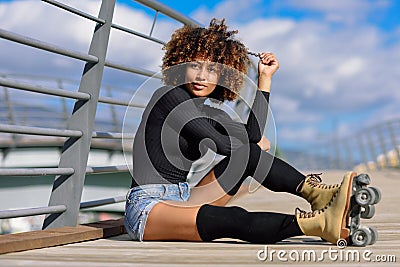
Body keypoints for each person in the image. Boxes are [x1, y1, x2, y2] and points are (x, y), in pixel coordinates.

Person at [124, 18, 355, 245]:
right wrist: (252, 145)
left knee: (249, 156)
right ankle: (322, 224)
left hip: (183, 197)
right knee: (231, 218)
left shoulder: (211, 114)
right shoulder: (168, 97)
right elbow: (224, 146)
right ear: (182, 65)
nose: (202, 76)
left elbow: (253, 134)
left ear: (223, 76)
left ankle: (320, 196)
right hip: (147, 208)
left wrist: (264, 79)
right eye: (195, 65)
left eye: (212, 69)